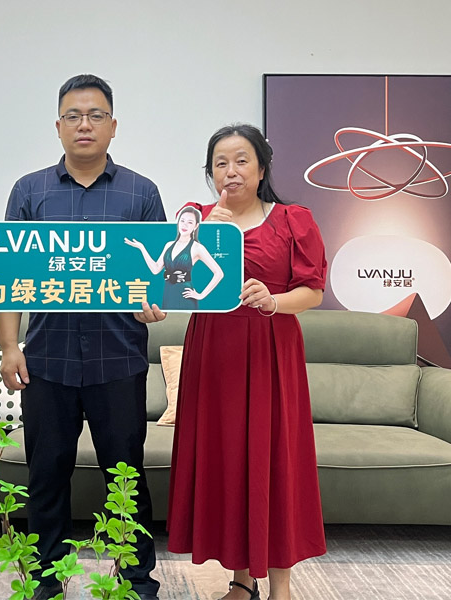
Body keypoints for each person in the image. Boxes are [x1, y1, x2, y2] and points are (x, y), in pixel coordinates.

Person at [0, 74, 165, 600]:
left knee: (126, 477)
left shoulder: (142, 192)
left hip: (119, 360)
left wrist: (153, 304)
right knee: (47, 475)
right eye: (73, 115)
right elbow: (7, 279)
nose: (84, 124)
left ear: (113, 126)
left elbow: (159, 277)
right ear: (58, 126)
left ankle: (137, 581)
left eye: (95, 115)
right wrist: (10, 347)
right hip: (48, 361)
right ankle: (47, 581)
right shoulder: (29, 191)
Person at [166, 124, 327, 600]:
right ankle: (240, 579)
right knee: (228, 461)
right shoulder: (194, 219)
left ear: (261, 169)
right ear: (210, 172)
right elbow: (174, 285)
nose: (231, 171)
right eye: (221, 163)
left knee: (273, 461)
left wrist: (274, 301)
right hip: (213, 353)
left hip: (271, 351)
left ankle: (282, 587)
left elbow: (313, 291)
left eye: (241, 161)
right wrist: (209, 237)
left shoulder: (293, 219)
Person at [124, 205, 224, 310]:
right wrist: (142, 248)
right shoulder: (169, 245)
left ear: (196, 226)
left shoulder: (197, 247)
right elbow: (155, 269)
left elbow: (219, 273)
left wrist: (201, 295)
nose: (185, 225)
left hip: (185, 295)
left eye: (190, 222)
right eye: (182, 221)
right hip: (168, 293)